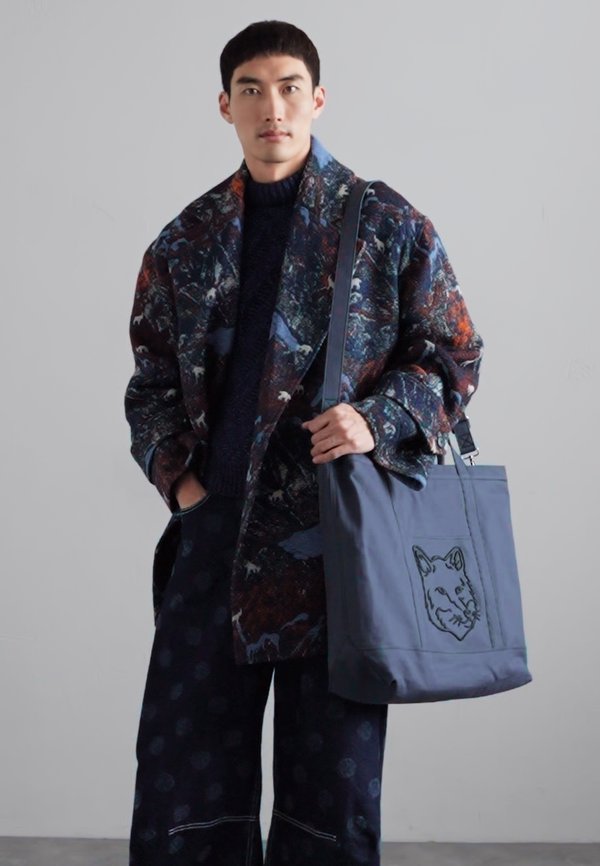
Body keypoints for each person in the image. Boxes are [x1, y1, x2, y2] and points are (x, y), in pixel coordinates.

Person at [124, 19, 484, 866]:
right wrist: (186, 491)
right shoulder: (184, 242)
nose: (272, 109)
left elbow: (454, 355)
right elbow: (150, 389)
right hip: (216, 539)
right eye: (251, 90)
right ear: (225, 106)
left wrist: (375, 418)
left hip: (338, 545)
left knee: (333, 796)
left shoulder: (386, 223)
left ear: (318, 99)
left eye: (288, 88)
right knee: (184, 788)